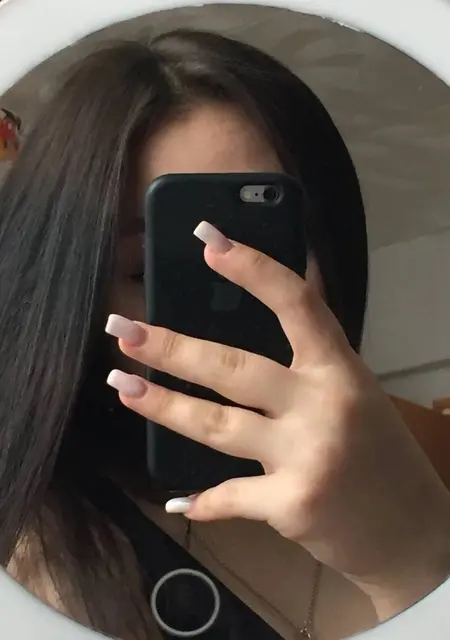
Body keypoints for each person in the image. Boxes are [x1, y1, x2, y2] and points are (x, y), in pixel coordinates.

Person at [1, 28, 449, 640]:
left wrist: (417, 559)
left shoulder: (417, 473)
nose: (227, 299)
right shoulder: (42, 562)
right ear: (76, 298)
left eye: (267, 253)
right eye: (150, 271)